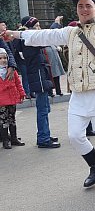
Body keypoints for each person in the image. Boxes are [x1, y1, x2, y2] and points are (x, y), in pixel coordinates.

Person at [3, 0, 95, 190]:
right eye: (80, 6)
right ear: (76, 11)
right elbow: (44, 35)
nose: (84, 9)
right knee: (75, 136)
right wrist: (16, 34)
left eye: (88, 6)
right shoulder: (71, 32)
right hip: (78, 94)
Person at [18, 16, 61, 149]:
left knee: (45, 109)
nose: (39, 28)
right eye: (36, 26)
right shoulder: (29, 39)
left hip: (41, 76)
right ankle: (43, 138)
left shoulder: (29, 39)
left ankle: (44, 134)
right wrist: (55, 25)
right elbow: (47, 38)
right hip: (38, 77)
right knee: (42, 110)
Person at [0, 48, 26, 148]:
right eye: (1, 58)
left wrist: (21, 93)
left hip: (11, 98)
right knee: (3, 121)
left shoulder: (11, 70)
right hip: (2, 100)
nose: (3, 60)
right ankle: (6, 140)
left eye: (5, 58)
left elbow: (18, 83)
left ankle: (14, 138)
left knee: (12, 119)